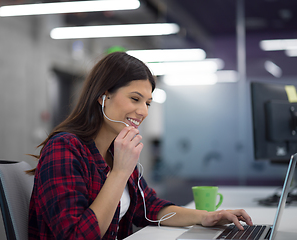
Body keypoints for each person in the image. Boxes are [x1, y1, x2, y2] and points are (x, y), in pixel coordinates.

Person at [28, 52, 253, 240]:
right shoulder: (64, 149)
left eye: (147, 103)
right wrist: (120, 173)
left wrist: (205, 217)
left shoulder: (116, 152)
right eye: (135, 99)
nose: (144, 111)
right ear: (103, 96)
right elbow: (75, 236)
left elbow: (150, 208)